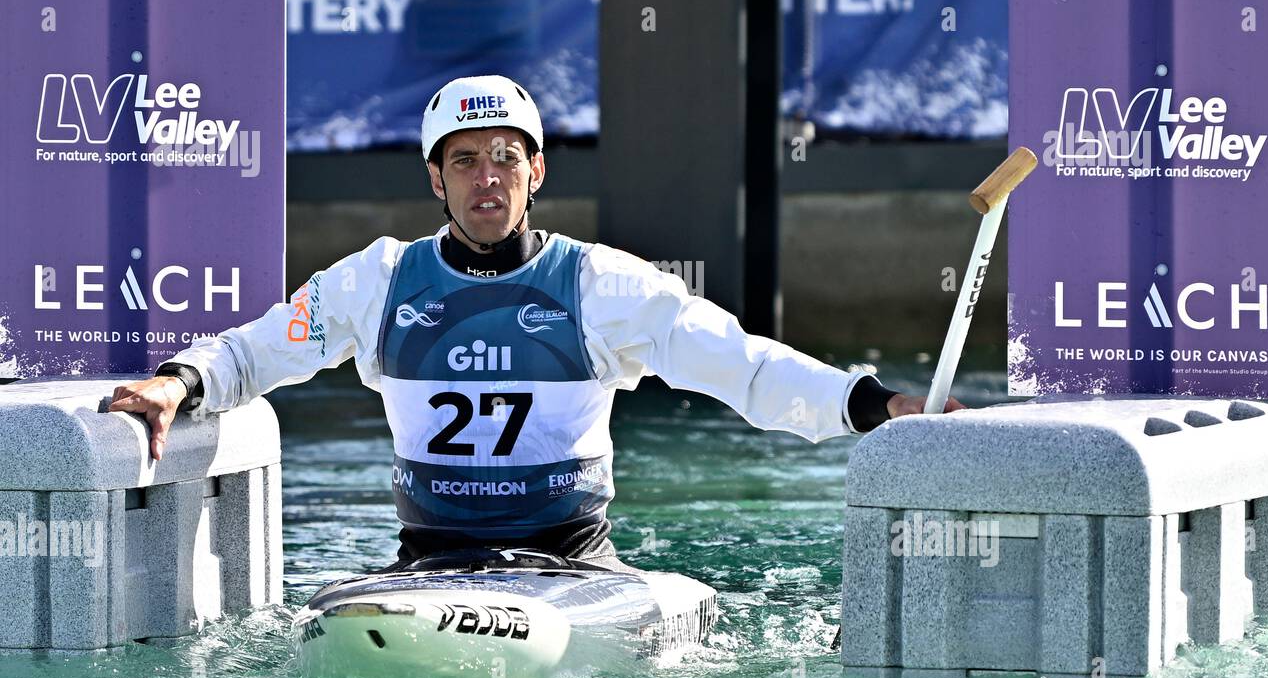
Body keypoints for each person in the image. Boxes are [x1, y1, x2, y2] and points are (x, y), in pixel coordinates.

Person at [107, 75, 964, 573]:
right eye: (466, 161)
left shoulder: (599, 283)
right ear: (435, 181)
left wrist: (874, 404)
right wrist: (176, 382)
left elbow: (739, 364)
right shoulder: (377, 280)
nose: (488, 178)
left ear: (537, 171)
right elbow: (257, 351)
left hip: (575, 562)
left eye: (506, 159)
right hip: (428, 562)